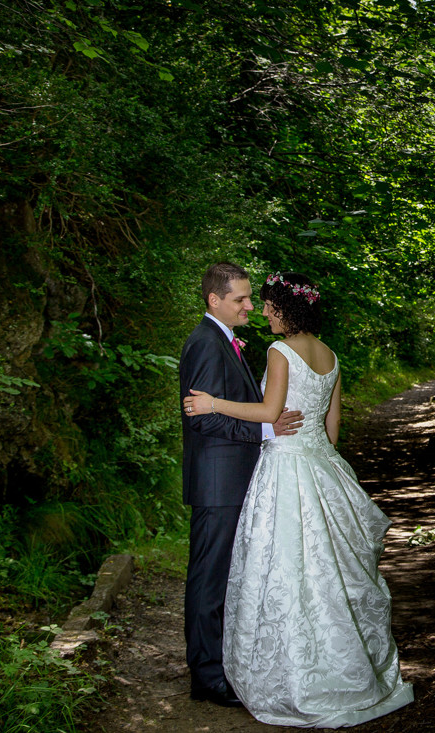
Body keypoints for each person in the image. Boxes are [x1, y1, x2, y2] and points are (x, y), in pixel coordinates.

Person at [183, 271, 413, 727]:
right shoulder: (329, 354)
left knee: (283, 567)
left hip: (284, 468)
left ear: (286, 308)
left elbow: (270, 412)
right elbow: (330, 430)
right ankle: (322, 667)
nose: (259, 309)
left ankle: (280, 670)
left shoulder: (278, 350)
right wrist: (292, 439)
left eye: (265, 303)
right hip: (313, 466)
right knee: (323, 570)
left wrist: (215, 404)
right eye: (249, 301)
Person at [179, 262, 303, 707]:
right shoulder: (205, 345)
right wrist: (267, 431)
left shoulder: (220, 340)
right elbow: (204, 418)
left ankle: (219, 666)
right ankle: (207, 677)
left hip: (230, 480)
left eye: (251, 298)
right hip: (217, 484)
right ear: (215, 300)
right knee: (209, 581)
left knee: (225, 579)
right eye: (241, 300)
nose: (250, 305)